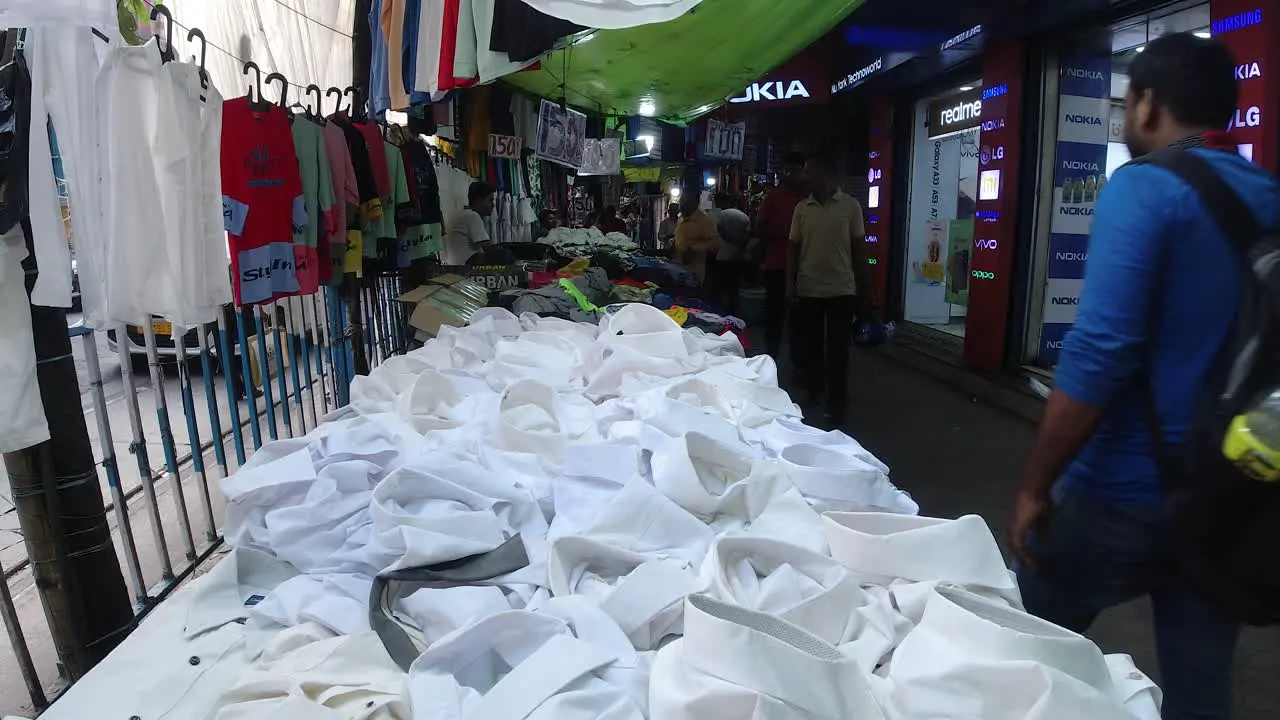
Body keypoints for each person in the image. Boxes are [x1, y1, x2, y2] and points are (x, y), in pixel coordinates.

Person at [1008, 33, 1278, 720]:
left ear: (1150, 104)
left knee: (1025, 651)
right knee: (1199, 689)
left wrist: (1035, 487)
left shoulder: (1145, 187)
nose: (1125, 119)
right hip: (1227, 492)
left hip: (1122, 491)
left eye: (1128, 103)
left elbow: (1101, 351)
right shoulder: (1269, 198)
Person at [788, 155, 873, 427]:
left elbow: (859, 250)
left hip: (842, 290)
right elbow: (793, 249)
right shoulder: (802, 209)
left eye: (811, 174)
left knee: (838, 351)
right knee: (812, 348)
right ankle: (814, 393)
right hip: (810, 288)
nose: (806, 179)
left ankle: (836, 402)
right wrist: (791, 284)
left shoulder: (850, 206)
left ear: (827, 174)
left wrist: (865, 289)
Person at [756, 153, 808, 359]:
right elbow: (759, 227)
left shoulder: (808, 198)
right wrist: (785, 237)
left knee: (800, 319)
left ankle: (799, 362)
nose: (789, 174)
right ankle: (771, 357)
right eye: (786, 170)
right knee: (774, 316)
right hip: (776, 265)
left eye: (793, 170)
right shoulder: (774, 197)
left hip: (803, 268)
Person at [710, 193, 751, 314]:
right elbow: (748, 235)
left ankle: (718, 312)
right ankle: (732, 312)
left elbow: (718, 230)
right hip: (738, 257)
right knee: (734, 288)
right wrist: (739, 244)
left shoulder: (721, 215)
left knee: (718, 287)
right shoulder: (744, 217)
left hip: (722, 256)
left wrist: (728, 240)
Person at [672, 192, 720, 286]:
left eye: (685, 201)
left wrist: (694, 248)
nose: (681, 204)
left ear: (695, 203)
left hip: (694, 270)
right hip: (677, 266)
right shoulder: (681, 218)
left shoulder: (704, 220)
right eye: (681, 201)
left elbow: (715, 243)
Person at [443, 181, 494, 265]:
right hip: (464, 270)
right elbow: (488, 247)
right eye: (490, 200)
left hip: (455, 267)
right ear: (478, 200)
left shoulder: (463, 214)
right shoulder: (472, 216)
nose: (493, 205)